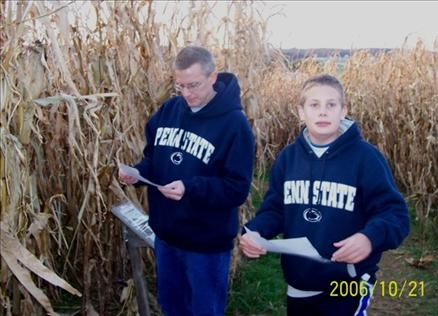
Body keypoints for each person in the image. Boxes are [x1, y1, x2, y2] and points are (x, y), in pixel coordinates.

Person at [239, 74, 409, 316]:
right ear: (301, 112)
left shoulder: (365, 158)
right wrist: (256, 231)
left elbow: (395, 214)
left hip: (348, 279)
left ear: (343, 111)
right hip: (300, 280)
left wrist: (369, 238)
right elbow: (276, 209)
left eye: (331, 105)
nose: (323, 112)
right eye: (314, 105)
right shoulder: (288, 158)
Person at [119, 46, 255, 316]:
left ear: (213, 77)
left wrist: (190, 188)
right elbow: (153, 160)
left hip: (205, 244)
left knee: (205, 310)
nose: (187, 94)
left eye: (193, 85)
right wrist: (136, 174)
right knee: (173, 308)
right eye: (180, 85)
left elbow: (237, 188)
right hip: (167, 237)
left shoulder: (234, 125)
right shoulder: (169, 110)